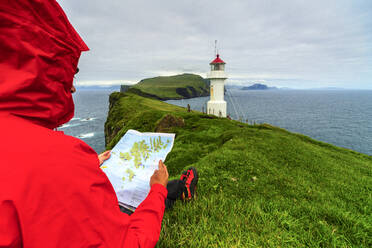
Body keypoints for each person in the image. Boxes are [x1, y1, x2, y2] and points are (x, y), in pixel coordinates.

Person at [0, 0, 197, 247]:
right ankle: (170, 189)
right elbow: (127, 242)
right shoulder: (59, 161)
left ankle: (175, 188)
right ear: (42, 66)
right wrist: (157, 189)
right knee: (141, 198)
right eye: (70, 71)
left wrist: (90, 165)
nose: (72, 86)